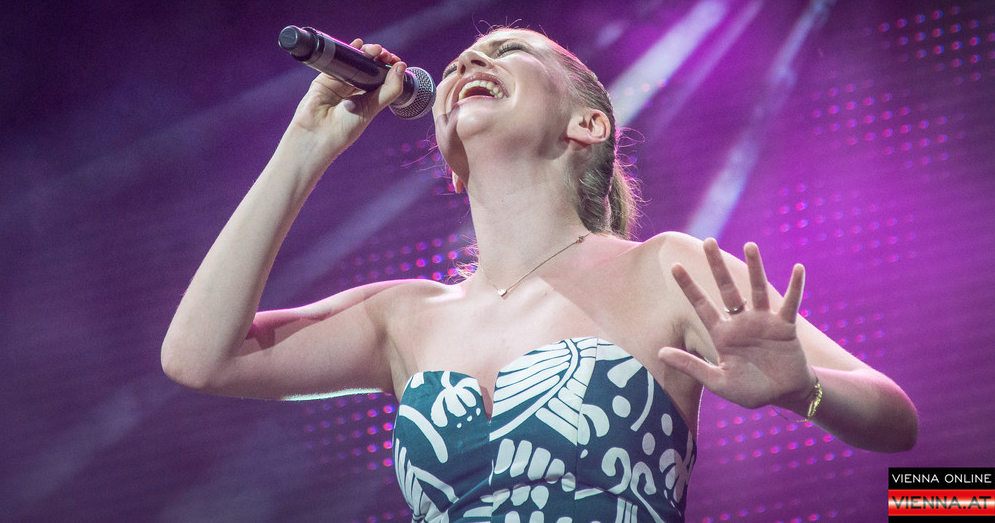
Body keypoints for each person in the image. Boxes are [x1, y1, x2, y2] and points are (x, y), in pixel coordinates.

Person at [161, 27, 918, 522]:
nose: (466, 64)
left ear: (588, 124)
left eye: (506, 49)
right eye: (456, 65)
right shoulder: (406, 315)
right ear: (451, 164)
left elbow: (896, 419)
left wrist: (803, 391)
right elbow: (200, 356)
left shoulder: (665, 268)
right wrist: (306, 143)